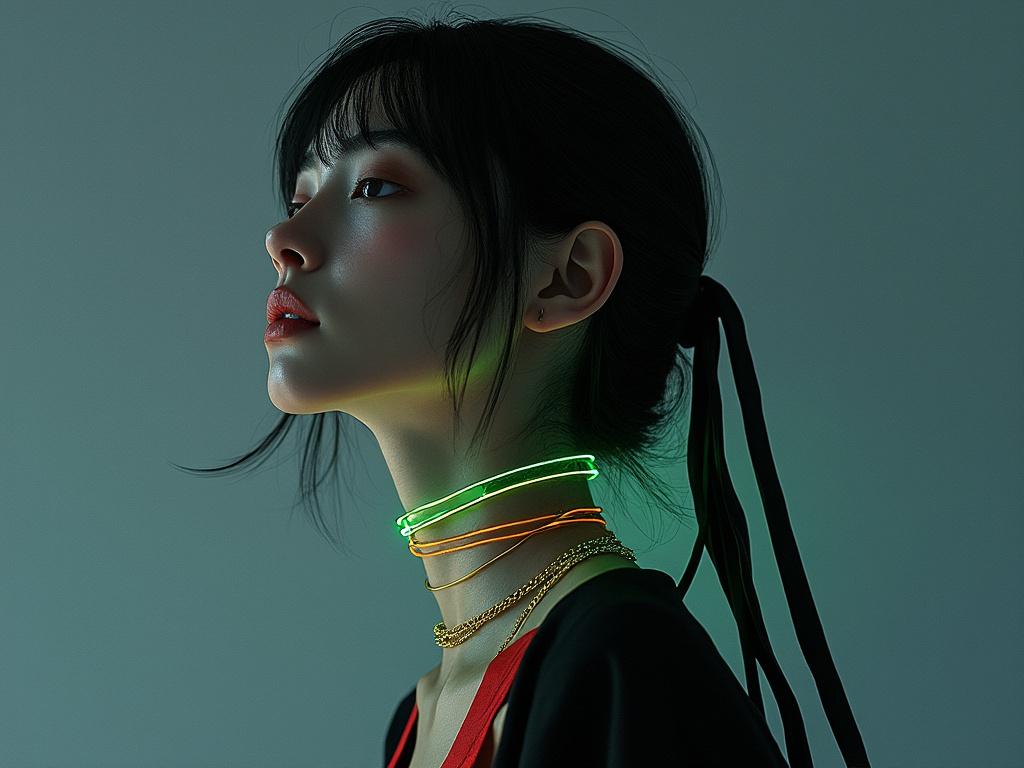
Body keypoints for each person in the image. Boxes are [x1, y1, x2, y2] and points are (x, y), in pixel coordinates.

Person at [174, 9, 871, 767]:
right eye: (302, 196)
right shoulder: (419, 718)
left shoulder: (626, 663)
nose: (285, 238)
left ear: (566, 277)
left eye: (375, 186)